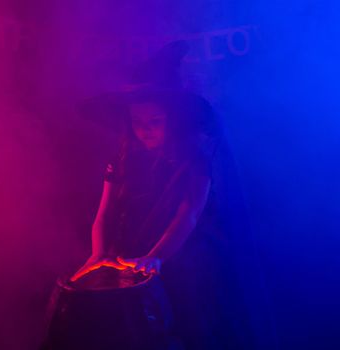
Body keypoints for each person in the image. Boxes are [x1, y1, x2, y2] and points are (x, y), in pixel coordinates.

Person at [71, 41, 227, 349]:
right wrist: (98, 254)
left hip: (183, 255)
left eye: (155, 122)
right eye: (138, 123)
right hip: (133, 257)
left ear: (174, 121)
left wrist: (158, 255)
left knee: (189, 323)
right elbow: (104, 212)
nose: (146, 130)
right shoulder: (123, 158)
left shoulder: (194, 160)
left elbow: (190, 213)